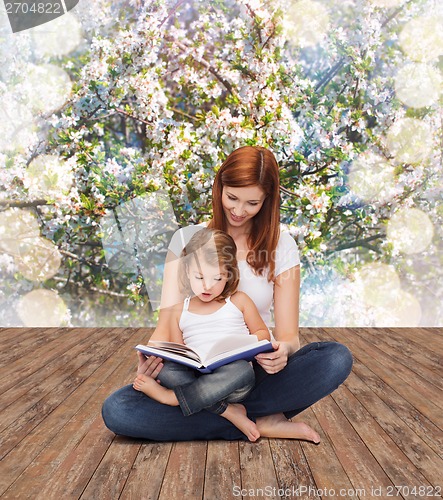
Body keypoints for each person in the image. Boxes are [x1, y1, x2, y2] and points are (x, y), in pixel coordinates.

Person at [102, 145, 353, 442]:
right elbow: (166, 328)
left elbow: (289, 337)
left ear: (268, 202)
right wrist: (150, 361)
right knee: (117, 409)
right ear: (219, 187)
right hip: (192, 373)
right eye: (232, 197)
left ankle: (215, 413)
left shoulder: (281, 246)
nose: (238, 210)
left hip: (253, 371)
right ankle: (252, 418)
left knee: (335, 358)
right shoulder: (186, 240)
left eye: (252, 203)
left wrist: (282, 352)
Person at [133, 228, 271, 442]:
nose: (207, 286)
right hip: (196, 379)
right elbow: (179, 353)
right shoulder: (180, 309)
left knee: (243, 370)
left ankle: (172, 399)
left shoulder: (239, 301)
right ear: (187, 271)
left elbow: (262, 333)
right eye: (199, 277)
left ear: (229, 274)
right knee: (168, 369)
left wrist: (250, 344)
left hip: (232, 381)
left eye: (217, 278)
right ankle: (227, 411)